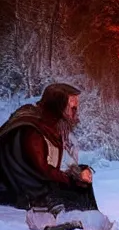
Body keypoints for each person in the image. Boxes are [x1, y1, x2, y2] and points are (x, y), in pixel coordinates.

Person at [0, 83, 98, 213]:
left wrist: (77, 172)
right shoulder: (33, 130)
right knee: (79, 185)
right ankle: (83, 223)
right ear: (58, 106)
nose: (75, 112)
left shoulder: (49, 124)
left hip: (34, 183)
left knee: (81, 176)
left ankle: (88, 220)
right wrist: (75, 177)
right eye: (72, 107)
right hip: (23, 191)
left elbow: (57, 161)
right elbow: (42, 170)